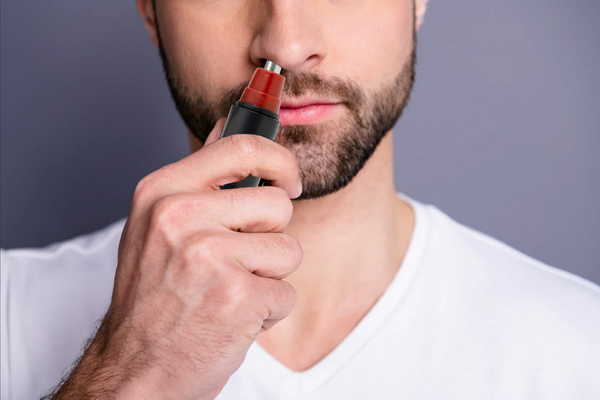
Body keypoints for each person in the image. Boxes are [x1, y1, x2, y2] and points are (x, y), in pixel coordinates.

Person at [2, 0, 599, 398]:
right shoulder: (10, 315)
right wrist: (128, 376)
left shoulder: (580, 353)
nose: (285, 45)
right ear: (149, 9)